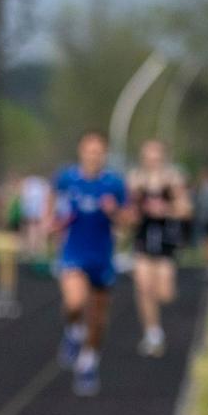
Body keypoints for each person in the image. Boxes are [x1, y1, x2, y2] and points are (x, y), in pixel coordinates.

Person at [47, 131, 127, 396]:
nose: (93, 156)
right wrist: (51, 220)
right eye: (89, 150)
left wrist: (114, 212)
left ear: (104, 154)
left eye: (98, 151)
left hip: (102, 256)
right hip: (74, 253)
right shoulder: (68, 178)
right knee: (74, 302)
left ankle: (88, 363)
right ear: (81, 151)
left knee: (99, 319)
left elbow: (129, 218)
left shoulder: (113, 184)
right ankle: (72, 329)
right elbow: (52, 199)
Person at [127, 138, 192, 357]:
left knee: (164, 293)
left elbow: (186, 210)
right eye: (149, 156)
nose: (153, 161)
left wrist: (166, 209)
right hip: (143, 238)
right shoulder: (135, 180)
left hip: (166, 240)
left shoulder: (173, 179)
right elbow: (129, 212)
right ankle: (152, 333)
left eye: (157, 156)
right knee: (144, 286)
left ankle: (155, 327)